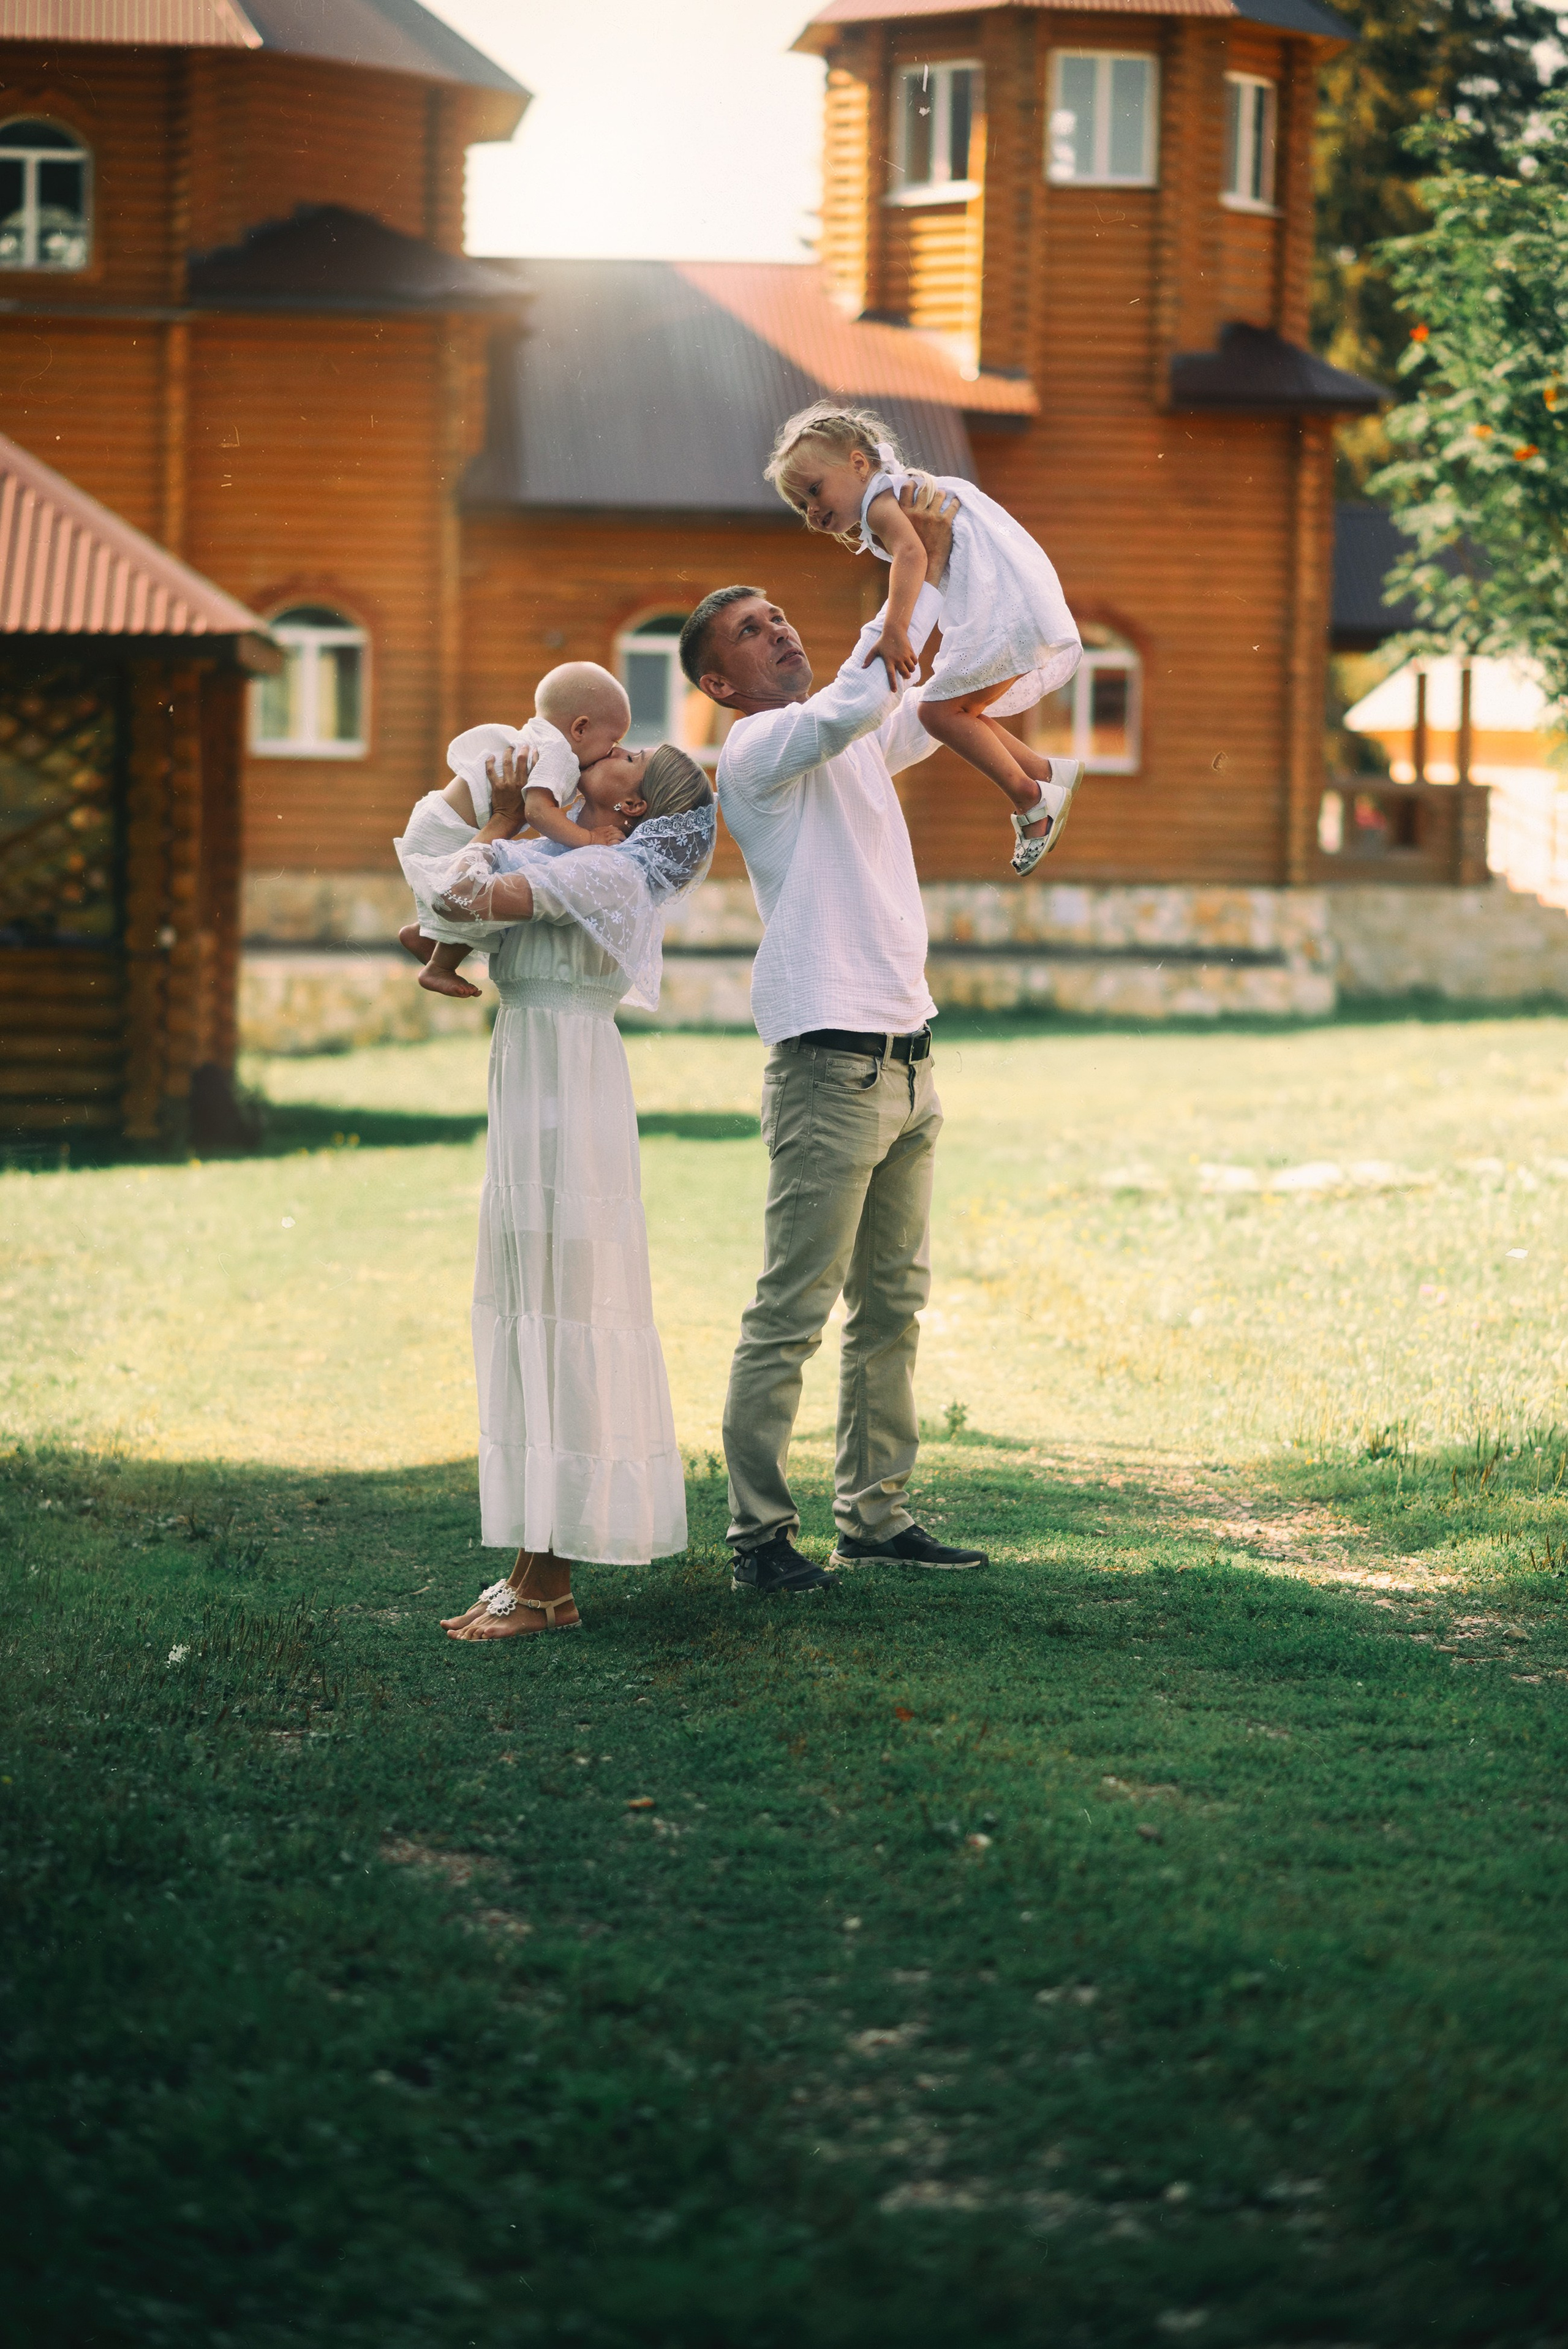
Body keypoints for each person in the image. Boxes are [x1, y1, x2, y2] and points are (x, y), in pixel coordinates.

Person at [680, 480, 989, 1598]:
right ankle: (759, 1538)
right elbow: (866, 691)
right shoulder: (761, 748)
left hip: (909, 1060)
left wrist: (946, 560)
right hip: (828, 1067)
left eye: (779, 617)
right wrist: (895, 570)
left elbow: (926, 682)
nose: (781, 633)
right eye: (754, 633)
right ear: (722, 683)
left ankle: (875, 1516)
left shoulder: (847, 737)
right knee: (792, 1311)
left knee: (892, 1306)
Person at [403, 741, 715, 1640]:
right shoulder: (574, 858)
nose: (602, 753)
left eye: (626, 756)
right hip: (531, 1072)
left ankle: (550, 1585)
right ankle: (530, 1568)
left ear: (639, 810)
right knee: (529, 1307)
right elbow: (440, 873)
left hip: (570, 1091)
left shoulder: (610, 875)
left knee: (565, 1309)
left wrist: (503, 819)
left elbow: (456, 895)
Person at [764, 400, 1084, 876]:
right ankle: (1043, 772)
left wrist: (895, 630)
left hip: (999, 610)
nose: (813, 510)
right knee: (954, 709)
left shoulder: (878, 502)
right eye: (801, 504)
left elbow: (912, 554)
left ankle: (1033, 797)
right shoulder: (894, 489)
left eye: (815, 490)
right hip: (1008, 602)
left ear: (858, 463)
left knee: (939, 711)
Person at [394, 663, 636, 1001]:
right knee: (475, 890)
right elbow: (538, 812)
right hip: (451, 829)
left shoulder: (540, 739)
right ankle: (439, 967)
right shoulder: (558, 753)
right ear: (580, 728)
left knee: (476, 883)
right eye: (613, 741)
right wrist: (590, 839)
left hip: (436, 819)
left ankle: (424, 935)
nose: (612, 752)